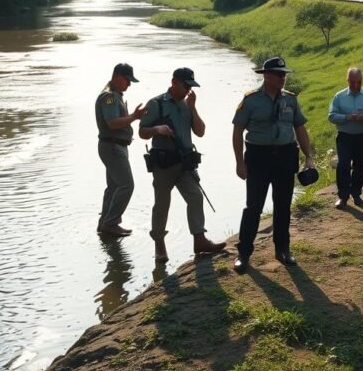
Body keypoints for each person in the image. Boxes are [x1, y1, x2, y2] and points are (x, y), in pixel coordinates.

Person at [232, 57, 315, 274]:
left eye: (284, 74)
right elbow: (237, 130)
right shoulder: (250, 101)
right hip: (258, 157)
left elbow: (300, 129)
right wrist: (239, 162)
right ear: (266, 76)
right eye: (279, 74)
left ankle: (282, 249)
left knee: (283, 205)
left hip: (285, 156)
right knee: (254, 206)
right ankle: (244, 253)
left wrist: (309, 156)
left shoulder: (291, 100)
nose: (283, 78)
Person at [139, 68, 226, 262]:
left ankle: (200, 240)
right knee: (162, 205)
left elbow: (200, 131)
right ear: (174, 82)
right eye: (186, 86)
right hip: (163, 164)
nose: (188, 90)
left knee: (195, 197)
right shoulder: (155, 104)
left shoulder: (188, 105)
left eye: (191, 87)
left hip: (185, 163)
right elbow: (142, 132)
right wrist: (156, 129)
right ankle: (159, 245)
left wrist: (193, 108)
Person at [95, 63, 147, 237]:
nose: (129, 84)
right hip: (112, 147)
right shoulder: (109, 97)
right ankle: (110, 223)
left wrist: (132, 116)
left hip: (114, 146)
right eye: (127, 79)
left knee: (114, 186)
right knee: (126, 185)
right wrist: (134, 116)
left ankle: (105, 223)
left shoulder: (114, 95)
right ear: (116, 76)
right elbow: (112, 122)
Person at [328, 67, 363, 208]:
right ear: (348, 80)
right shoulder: (339, 96)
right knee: (343, 164)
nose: (356, 85)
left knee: (360, 165)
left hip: (362, 136)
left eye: (359, 82)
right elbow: (331, 116)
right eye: (353, 82)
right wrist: (347, 117)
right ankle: (343, 196)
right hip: (345, 136)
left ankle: (356, 194)